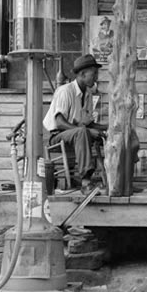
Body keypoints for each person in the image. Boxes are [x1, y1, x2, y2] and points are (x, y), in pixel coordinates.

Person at [42, 54, 108, 192]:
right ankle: (86, 181)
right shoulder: (65, 91)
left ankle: (113, 179)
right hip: (57, 136)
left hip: (77, 134)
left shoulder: (88, 93)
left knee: (104, 132)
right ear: (83, 74)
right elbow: (59, 123)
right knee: (82, 132)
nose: (96, 77)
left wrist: (109, 127)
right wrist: (87, 131)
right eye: (94, 74)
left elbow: (87, 123)